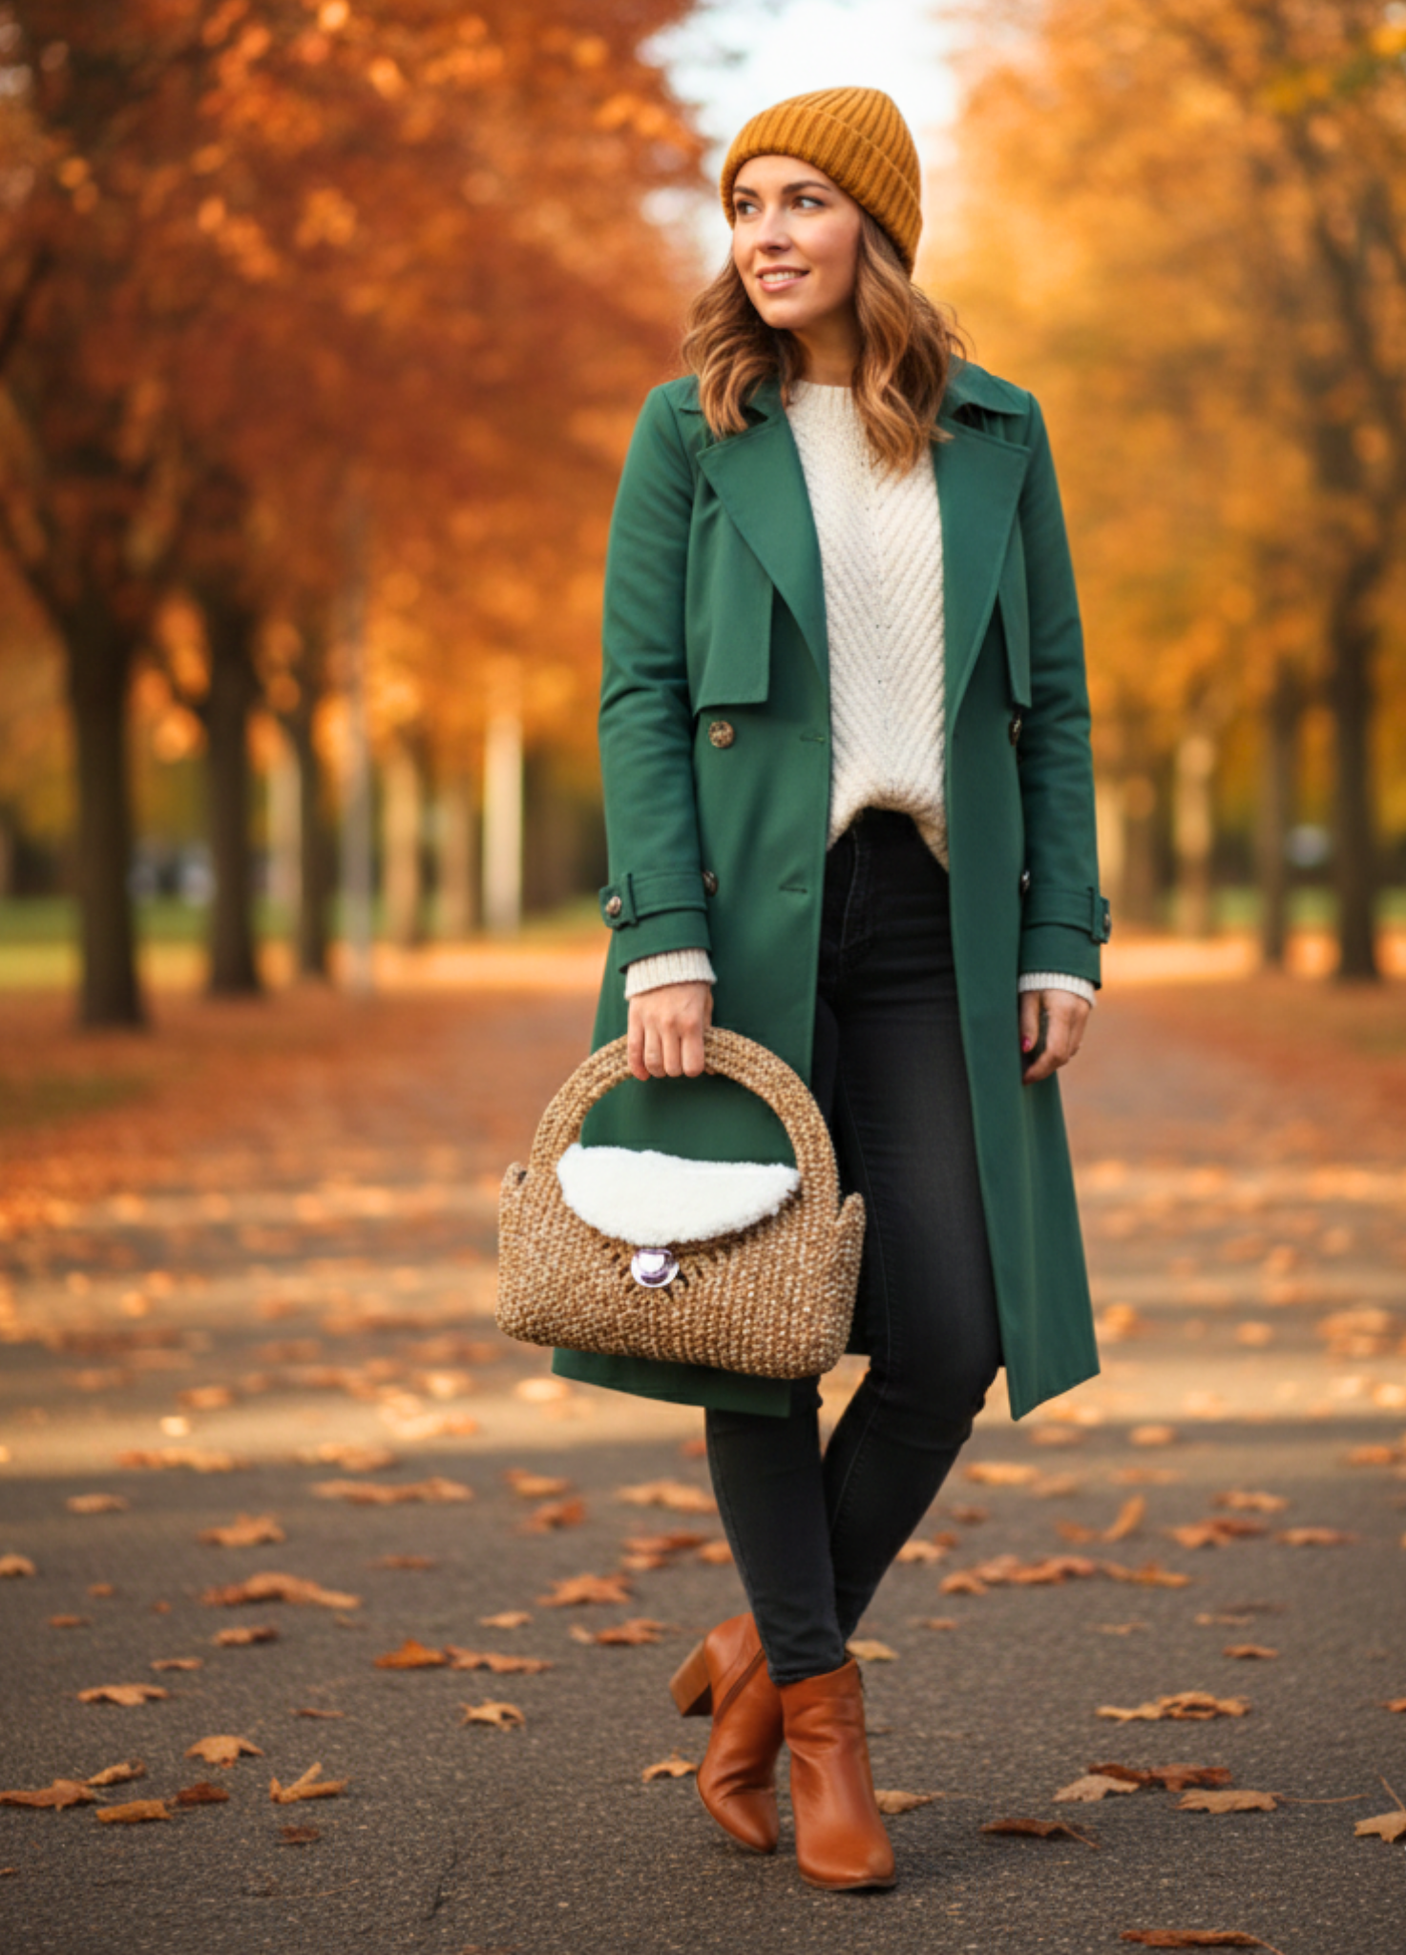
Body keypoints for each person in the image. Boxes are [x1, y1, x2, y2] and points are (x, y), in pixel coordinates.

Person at [552, 86, 1110, 1892]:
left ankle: (759, 1653)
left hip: (936, 921)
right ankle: (819, 1719)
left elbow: (1059, 708)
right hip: (747, 926)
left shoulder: (994, 433)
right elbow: (641, 693)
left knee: (948, 1332)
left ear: (878, 223)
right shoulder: (688, 432)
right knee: (755, 1332)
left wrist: (1060, 933)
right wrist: (663, 938)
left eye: (803, 201)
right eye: (744, 204)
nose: (768, 234)